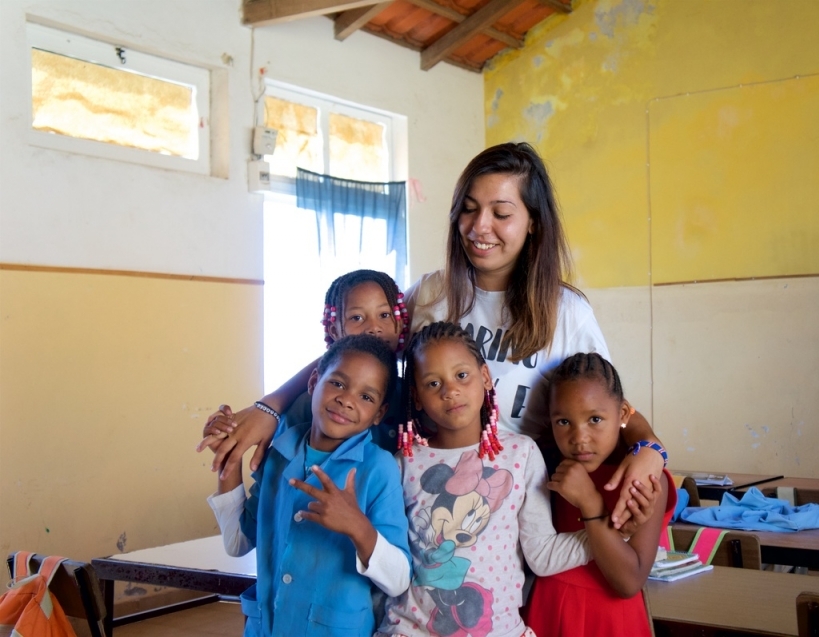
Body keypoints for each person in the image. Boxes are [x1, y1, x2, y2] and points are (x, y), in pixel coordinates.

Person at [204, 143, 666, 528]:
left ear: (534, 222)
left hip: (520, 515)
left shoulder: (566, 311)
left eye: (500, 213)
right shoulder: (432, 293)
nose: (479, 227)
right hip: (425, 505)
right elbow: (357, 356)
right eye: (468, 210)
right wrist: (272, 406)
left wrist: (651, 449)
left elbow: (606, 404)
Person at [376, 322, 592, 637]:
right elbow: (391, 560)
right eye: (433, 383)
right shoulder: (403, 463)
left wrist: (608, 533)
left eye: (461, 375)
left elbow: (541, 554)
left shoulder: (521, 454)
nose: (450, 391)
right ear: (416, 397)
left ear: (485, 377)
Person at [204, 335, 412, 637]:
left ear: (379, 413)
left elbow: (399, 580)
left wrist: (358, 527)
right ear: (313, 381)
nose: (347, 399)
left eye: (366, 397)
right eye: (338, 383)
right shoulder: (278, 453)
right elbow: (237, 542)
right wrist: (230, 457)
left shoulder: (378, 468)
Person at [524, 353, 676, 637]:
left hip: (611, 618)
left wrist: (590, 501)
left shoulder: (645, 478)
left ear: (622, 415)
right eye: (563, 422)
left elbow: (630, 580)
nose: (579, 438)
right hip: (548, 609)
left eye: (595, 419)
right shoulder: (545, 466)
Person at [200, 269, 409, 457]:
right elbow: (277, 474)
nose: (374, 327)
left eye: (384, 315)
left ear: (400, 322)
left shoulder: (410, 395)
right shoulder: (307, 404)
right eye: (356, 318)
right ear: (334, 331)